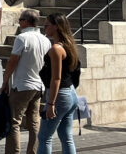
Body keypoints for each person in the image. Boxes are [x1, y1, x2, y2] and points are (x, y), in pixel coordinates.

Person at [1, 9, 51, 154]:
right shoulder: (45, 40)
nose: (19, 22)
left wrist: (5, 81)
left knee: (14, 121)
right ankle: (33, 152)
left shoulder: (22, 38)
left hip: (23, 85)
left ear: (26, 21)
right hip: (38, 85)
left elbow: (12, 61)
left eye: (21, 19)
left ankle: (13, 152)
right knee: (34, 122)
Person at [38, 13, 80, 154]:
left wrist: (50, 104)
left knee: (44, 137)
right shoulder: (68, 45)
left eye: (47, 25)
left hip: (60, 95)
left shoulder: (56, 49)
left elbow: (56, 78)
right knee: (66, 135)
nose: (44, 28)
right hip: (71, 93)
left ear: (56, 27)